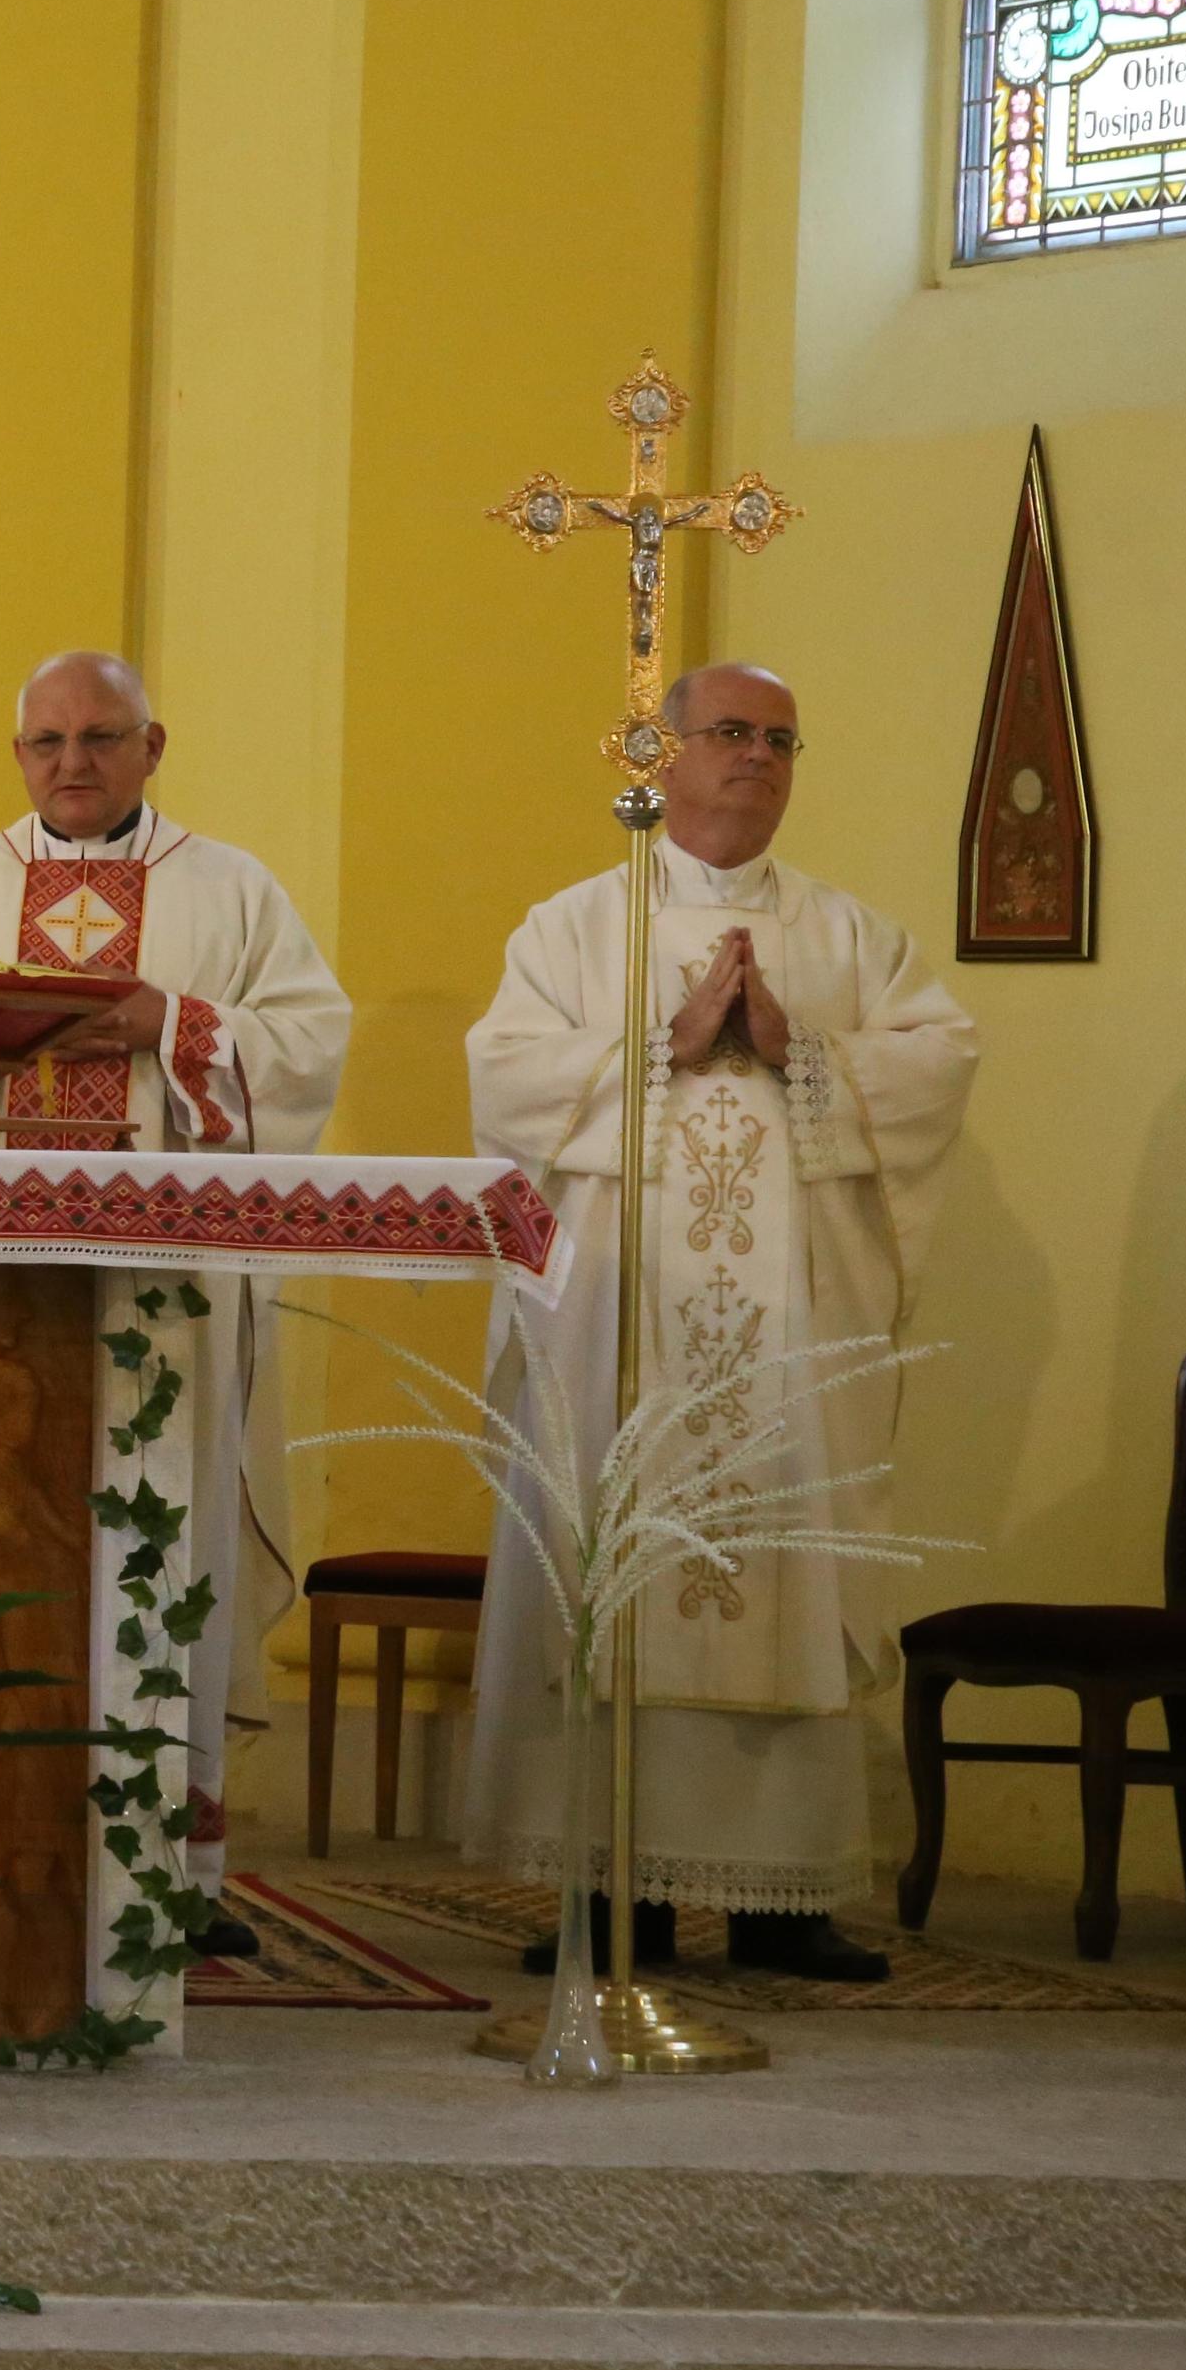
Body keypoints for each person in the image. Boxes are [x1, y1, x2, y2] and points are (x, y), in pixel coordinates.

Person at [465, 663, 980, 1981]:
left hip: (791, 1343)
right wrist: (665, 1044)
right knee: (610, 1552)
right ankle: (612, 1892)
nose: (757, 758)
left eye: (780, 740)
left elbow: (939, 1060)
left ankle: (782, 1899)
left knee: (786, 1554)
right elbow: (505, 1078)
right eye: (731, 734)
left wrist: (799, 1052)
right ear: (665, 753)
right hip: (622, 1325)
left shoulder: (850, 935)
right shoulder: (576, 926)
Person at [0, 649, 352, 1929]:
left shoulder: (231, 891)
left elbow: (308, 1045)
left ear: (153, 744)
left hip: (167, 1284)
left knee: (167, 1546)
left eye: (100, 737)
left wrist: (165, 1025)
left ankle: (175, 1873)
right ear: (16, 754)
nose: (73, 762)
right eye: (46, 741)